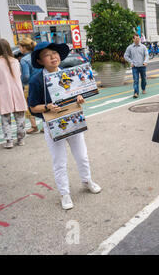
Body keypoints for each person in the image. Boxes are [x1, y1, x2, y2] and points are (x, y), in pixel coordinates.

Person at [28, 42, 102, 210]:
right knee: (59, 161)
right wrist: (47, 107)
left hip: (73, 119)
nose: (53, 56)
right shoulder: (36, 80)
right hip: (52, 125)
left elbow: (78, 94)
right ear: (40, 61)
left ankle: (87, 180)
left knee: (82, 156)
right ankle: (64, 193)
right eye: (47, 54)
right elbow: (33, 107)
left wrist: (79, 98)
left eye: (55, 53)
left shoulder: (69, 74)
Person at [0, 39, 28, 149]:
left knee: (5, 119)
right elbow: (19, 75)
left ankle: (9, 141)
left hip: (3, 93)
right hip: (17, 91)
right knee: (20, 118)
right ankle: (20, 140)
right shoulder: (16, 61)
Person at [18, 37, 41, 134]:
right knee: (43, 102)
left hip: (30, 84)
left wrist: (21, 81)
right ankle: (46, 124)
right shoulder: (37, 56)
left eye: (20, 47)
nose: (19, 49)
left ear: (23, 47)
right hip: (41, 80)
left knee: (29, 105)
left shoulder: (24, 60)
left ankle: (34, 126)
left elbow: (26, 75)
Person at [124, 33, 149, 98]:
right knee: (136, 80)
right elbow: (126, 56)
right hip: (135, 67)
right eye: (136, 39)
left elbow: (146, 55)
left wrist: (145, 61)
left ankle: (143, 89)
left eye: (138, 38)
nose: (138, 40)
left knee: (143, 79)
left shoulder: (143, 47)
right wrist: (131, 62)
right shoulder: (130, 47)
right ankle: (136, 93)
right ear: (133, 39)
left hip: (142, 66)